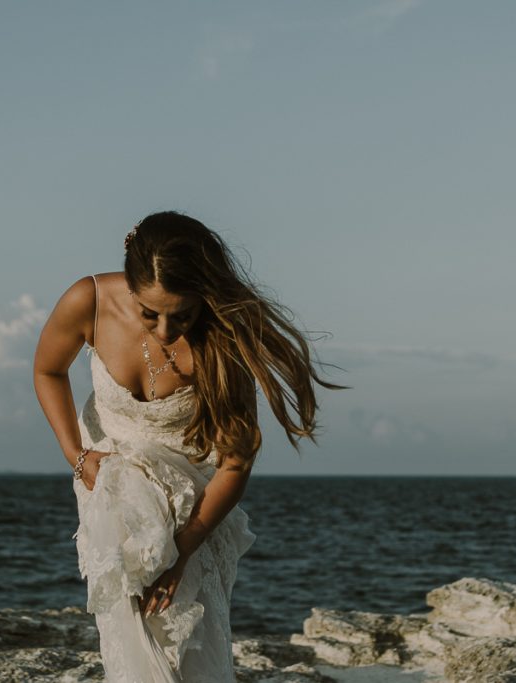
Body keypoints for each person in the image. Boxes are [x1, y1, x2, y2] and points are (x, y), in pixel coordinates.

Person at [32, 211, 346, 682]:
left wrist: (183, 552)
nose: (164, 330)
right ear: (132, 289)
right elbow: (47, 370)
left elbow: (237, 462)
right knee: (128, 628)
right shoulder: (89, 299)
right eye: (149, 313)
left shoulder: (223, 342)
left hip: (195, 509)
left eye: (181, 315)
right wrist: (75, 455)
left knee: (190, 647)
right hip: (111, 488)